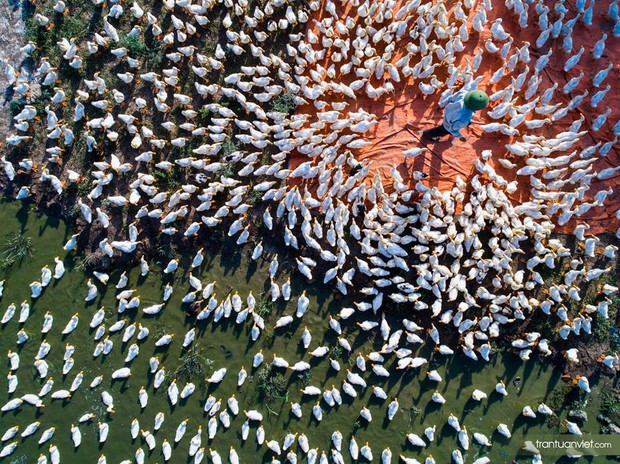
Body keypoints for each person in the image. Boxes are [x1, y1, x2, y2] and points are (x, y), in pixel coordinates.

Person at [422, 89, 489, 142]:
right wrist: (459, 136)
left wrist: (442, 104)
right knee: (442, 130)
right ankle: (427, 134)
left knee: (445, 127)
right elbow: (452, 129)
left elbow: (450, 98)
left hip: (448, 114)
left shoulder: (463, 93)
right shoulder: (465, 117)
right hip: (449, 124)